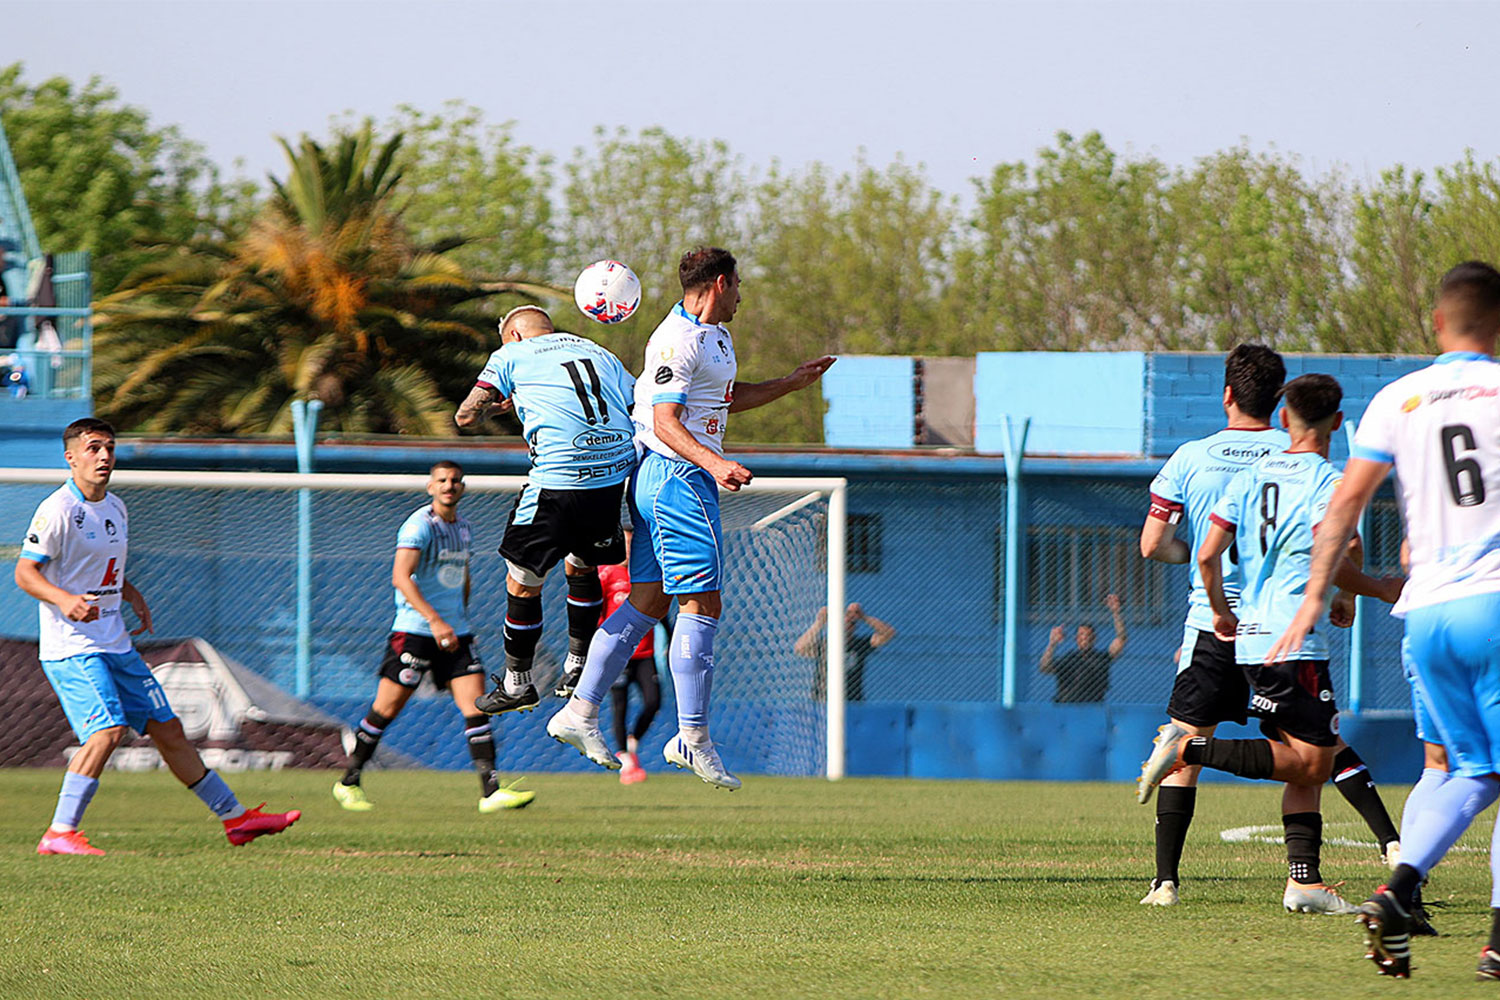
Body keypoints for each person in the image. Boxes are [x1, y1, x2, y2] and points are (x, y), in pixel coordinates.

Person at [1265, 261, 1500, 980]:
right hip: (1495, 602)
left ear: (1436, 323)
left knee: (1466, 770)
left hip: (1426, 617)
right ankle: (1493, 937)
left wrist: (1312, 596)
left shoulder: (1398, 398)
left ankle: (1401, 892)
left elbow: (1343, 507)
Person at [547, 246, 836, 789]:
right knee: (703, 601)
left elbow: (722, 400)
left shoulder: (717, 338)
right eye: (739, 285)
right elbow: (665, 419)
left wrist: (790, 384)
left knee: (649, 601)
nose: (743, 295)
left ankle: (580, 711)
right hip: (675, 476)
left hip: (680, 476)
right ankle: (693, 737)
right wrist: (715, 462)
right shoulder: (674, 340)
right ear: (720, 283)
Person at [1136, 345, 1401, 909]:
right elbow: (1341, 544)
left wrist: (1215, 598)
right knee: (1315, 751)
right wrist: (1359, 592)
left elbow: (1158, 545)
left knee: (1290, 745)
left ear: (1228, 394)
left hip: (1218, 625)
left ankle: (1166, 883)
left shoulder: (1195, 458)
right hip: (1288, 628)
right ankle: (1377, 848)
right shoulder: (1307, 463)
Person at [15, 418, 301, 855]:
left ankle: (236, 819)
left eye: (110, 447)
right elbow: (25, 572)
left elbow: (101, 566)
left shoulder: (116, 508)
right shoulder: (57, 510)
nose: (104, 456)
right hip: (75, 648)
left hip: (115, 643)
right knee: (106, 733)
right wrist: (64, 599)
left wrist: (129, 593)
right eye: (93, 448)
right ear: (70, 457)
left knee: (169, 732)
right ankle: (59, 831)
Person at [454, 305, 638, 720]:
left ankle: (517, 683)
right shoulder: (597, 351)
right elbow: (634, 400)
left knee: (522, 583)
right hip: (610, 479)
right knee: (582, 566)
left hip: (557, 481)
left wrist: (489, 404)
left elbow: (464, 415)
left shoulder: (510, 356)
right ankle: (578, 666)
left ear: (514, 335)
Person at [332, 461, 535, 813]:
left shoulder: (464, 528)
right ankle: (348, 781)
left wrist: (459, 619)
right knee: (385, 710)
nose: (449, 486)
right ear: (430, 487)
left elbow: (462, 576)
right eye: (442, 480)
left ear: (463, 487)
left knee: (476, 707)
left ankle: (490, 793)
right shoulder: (418, 525)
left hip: (457, 633)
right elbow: (401, 577)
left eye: (455, 481)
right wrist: (436, 621)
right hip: (415, 633)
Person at [601, 531, 660, 784]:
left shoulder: (644, 573)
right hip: (618, 654)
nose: (627, 549)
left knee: (653, 701)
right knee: (620, 707)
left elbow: (661, 610)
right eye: (623, 543)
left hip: (645, 653)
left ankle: (632, 742)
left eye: (631, 544)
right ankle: (625, 761)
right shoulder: (605, 573)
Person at [796, 603, 897, 702]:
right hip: (823, 700)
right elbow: (800, 648)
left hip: (851, 701)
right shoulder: (825, 645)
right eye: (843, 623)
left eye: (852, 623)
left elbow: (888, 633)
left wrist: (863, 617)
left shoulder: (860, 645)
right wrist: (820, 622)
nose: (847, 626)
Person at [1037, 594, 1126, 703]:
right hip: (1067, 707)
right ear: (1076, 639)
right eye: (1081, 635)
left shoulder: (1101, 658)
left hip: (1093, 708)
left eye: (1088, 635)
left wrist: (1116, 613)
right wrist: (1052, 644)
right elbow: (1045, 668)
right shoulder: (1069, 659)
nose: (1085, 638)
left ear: (1094, 638)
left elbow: (1121, 639)